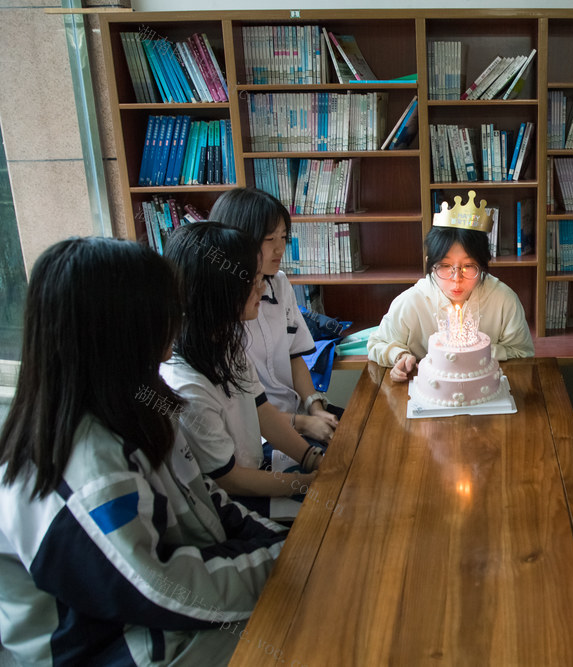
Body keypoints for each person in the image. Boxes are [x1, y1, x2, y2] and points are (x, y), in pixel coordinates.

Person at [0, 238, 286, 665]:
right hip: (121, 646)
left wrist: (286, 547)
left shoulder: (145, 403)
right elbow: (159, 590)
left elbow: (210, 503)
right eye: (164, 309)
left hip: (164, 619)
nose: (176, 320)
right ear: (121, 328)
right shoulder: (81, 464)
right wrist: (287, 568)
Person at [161, 222, 320, 519]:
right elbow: (229, 479)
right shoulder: (187, 386)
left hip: (254, 474)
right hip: (229, 505)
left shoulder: (225, 346)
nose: (262, 289)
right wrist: (306, 484)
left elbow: (262, 411)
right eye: (254, 281)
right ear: (219, 292)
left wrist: (312, 458)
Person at [209, 187, 340, 447]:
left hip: (296, 414)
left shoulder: (278, 284)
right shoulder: (218, 308)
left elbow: (294, 355)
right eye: (270, 239)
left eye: (283, 237)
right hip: (257, 436)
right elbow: (241, 413)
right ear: (236, 239)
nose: (280, 248)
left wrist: (314, 406)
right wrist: (303, 424)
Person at [368, 191, 534, 382]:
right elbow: (377, 343)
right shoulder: (411, 301)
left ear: (484, 264)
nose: (457, 278)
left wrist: (477, 351)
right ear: (430, 264)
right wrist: (400, 356)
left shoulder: (503, 299)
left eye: (469, 266)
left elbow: (523, 353)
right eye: (445, 266)